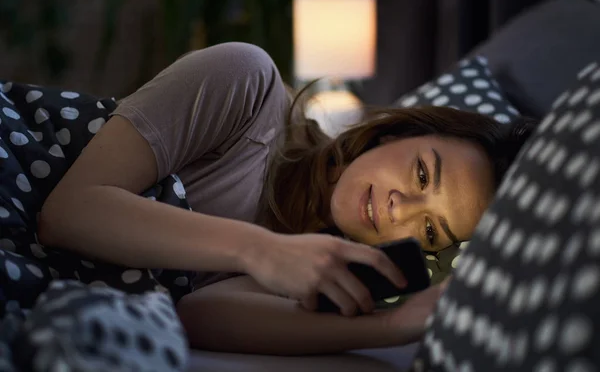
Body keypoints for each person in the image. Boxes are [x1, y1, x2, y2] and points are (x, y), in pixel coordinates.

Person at [34, 42, 536, 355]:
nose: (400, 209)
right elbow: (68, 212)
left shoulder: (316, 257)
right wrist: (258, 248)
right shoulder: (244, 84)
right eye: (422, 173)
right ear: (394, 135)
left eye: (429, 230)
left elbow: (200, 316)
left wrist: (391, 326)